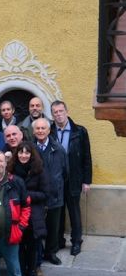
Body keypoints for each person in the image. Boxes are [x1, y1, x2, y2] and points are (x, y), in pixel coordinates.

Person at [51, 100, 92, 256]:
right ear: (52, 114)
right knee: (58, 212)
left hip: (74, 178)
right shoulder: (50, 131)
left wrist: (86, 181)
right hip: (56, 179)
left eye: (61, 111)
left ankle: (76, 241)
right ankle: (58, 241)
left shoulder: (80, 132)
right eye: (55, 112)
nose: (59, 114)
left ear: (66, 111)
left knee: (74, 212)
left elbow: (87, 158)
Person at [8, 141, 48, 276]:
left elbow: (45, 193)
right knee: (18, 247)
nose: (23, 155)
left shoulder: (39, 170)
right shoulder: (11, 169)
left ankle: (31, 273)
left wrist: (26, 195)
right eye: (20, 152)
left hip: (32, 213)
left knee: (32, 246)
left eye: (26, 152)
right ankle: (22, 273)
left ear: (31, 154)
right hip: (15, 213)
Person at [32, 118, 67, 265]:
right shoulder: (30, 149)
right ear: (33, 131)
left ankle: (50, 252)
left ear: (48, 130)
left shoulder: (58, 149)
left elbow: (65, 171)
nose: (40, 131)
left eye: (43, 128)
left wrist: (57, 185)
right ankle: (37, 253)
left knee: (54, 227)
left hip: (54, 194)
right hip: (37, 194)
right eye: (37, 129)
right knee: (38, 226)